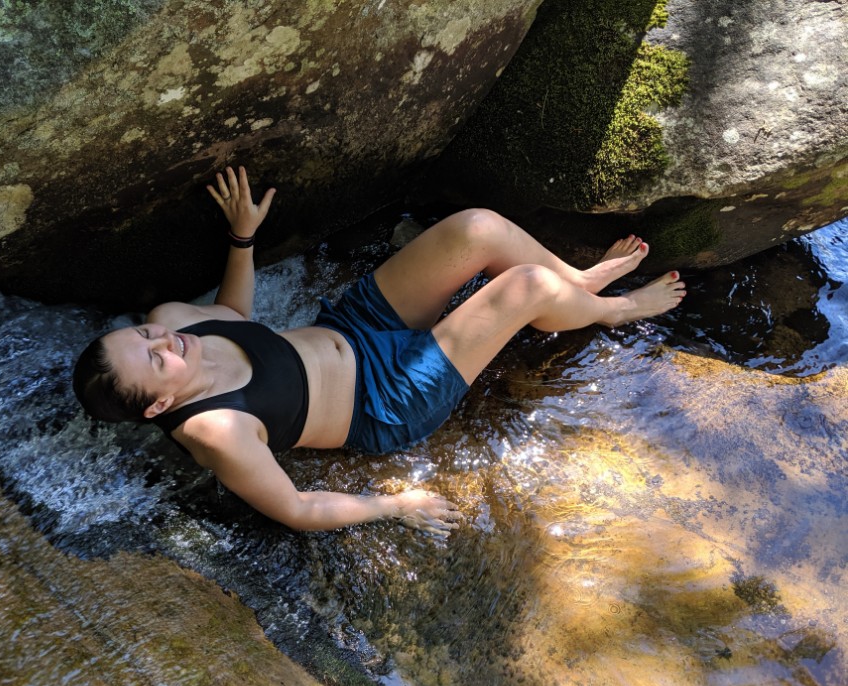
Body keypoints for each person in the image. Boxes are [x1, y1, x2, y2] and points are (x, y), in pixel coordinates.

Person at [73, 167, 685, 536]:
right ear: (158, 408)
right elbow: (294, 508)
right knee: (524, 289)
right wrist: (393, 505)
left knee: (477, 228)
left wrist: (243, 238)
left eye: (142, 336)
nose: (163, 340)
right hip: (387, 397)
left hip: (356, 325)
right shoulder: (215, 432)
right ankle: (616, 308)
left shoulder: (172, 320)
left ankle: (580, 282)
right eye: (155, 359)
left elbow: (233, 317)